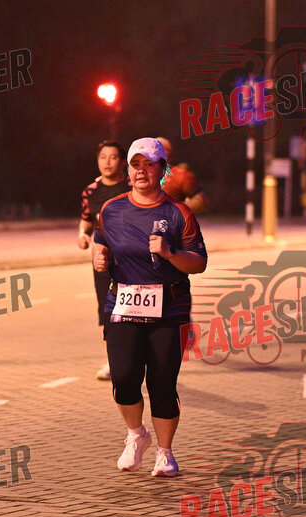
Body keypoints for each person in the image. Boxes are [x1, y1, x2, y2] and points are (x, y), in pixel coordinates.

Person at [93, 137, 207, 477]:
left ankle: (165, 452)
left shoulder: (178, 213)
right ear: (128, 171)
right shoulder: (111, 209)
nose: (141, 171)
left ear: (162, 170)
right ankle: (135, 435)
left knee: (162, 383)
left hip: (168, 310)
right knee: (124, 377)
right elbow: (101, 244)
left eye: (149, 165)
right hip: (124, 305)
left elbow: (199, 262)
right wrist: (99, 257)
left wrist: (171, 253)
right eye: (136, 165)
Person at [77, 141, 131, 380]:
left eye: (113, 157)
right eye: (103, 157)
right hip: (103, 261)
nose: (107, 162)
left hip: (133, 260)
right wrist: (83, 235)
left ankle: (139, 356)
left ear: (123, 162)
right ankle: (113, 361)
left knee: (132, 310)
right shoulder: (90, 191)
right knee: (107, 310)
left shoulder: (133, 185)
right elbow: (87, 219)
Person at [156, 137, 209, 213]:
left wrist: (177, 209)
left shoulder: (180, 175)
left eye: (161, 153)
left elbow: (201, 200)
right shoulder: (141, 174)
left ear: (169, 156)